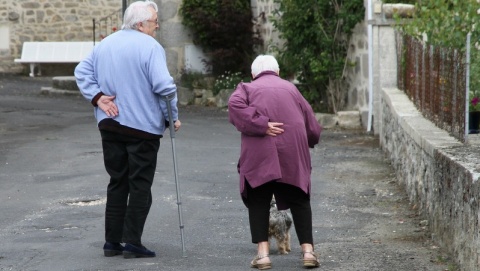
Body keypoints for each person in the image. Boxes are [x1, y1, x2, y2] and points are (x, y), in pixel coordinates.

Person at [74, 0, 181, 259]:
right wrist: (172, 118)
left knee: (118, 181)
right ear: (142, 24)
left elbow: (81, 71)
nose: (157, 26)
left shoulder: (106, 43)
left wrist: (98, 97)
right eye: (155, 22)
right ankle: (132, 242)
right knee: (140, 185)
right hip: (142, 128)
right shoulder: (151, 46)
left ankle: (112, 242)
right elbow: (165, 87)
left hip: (110, 124)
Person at [228, 55, 322, 269]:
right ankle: (308, 252)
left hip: (260, 152)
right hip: (292, 151)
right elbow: (312, 124)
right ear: (277, 72)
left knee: (259, 199)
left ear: (254, 74)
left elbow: (234, 105)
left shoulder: (246, 88)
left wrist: (260, 124)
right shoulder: (291, 89)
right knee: (299, 199)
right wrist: (311, 139)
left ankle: (263, 256)